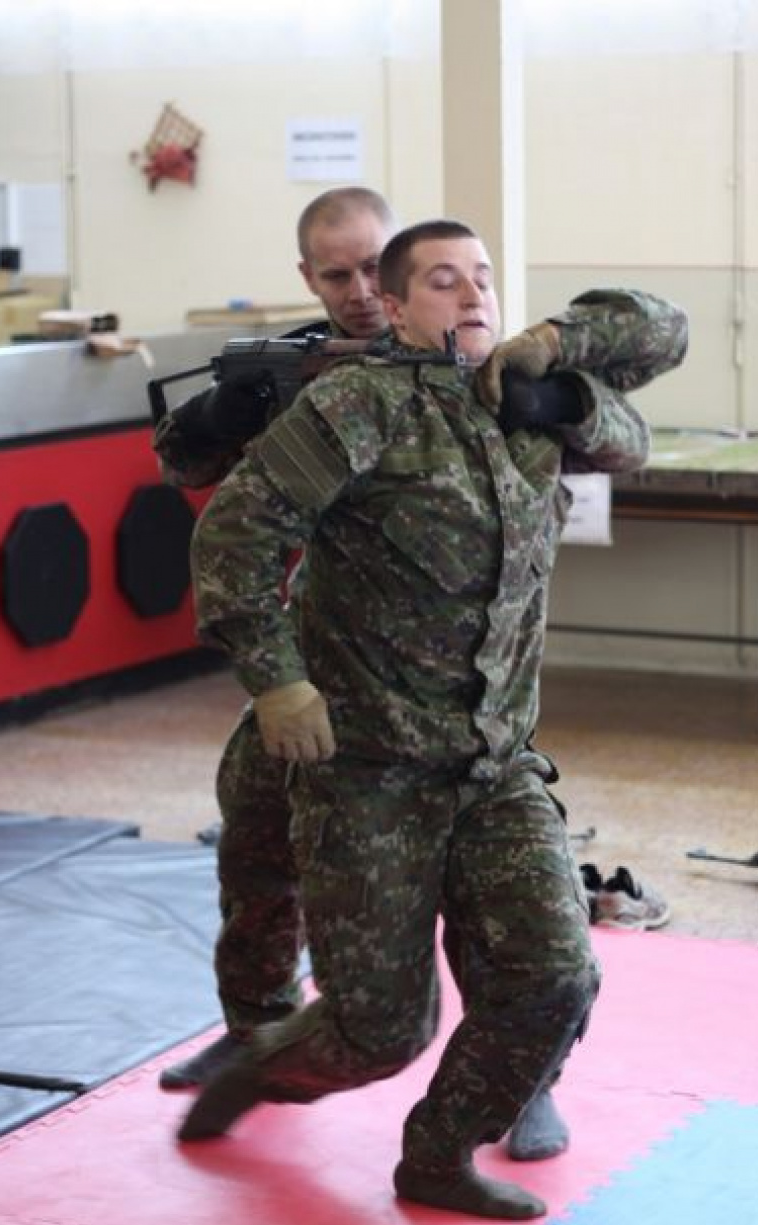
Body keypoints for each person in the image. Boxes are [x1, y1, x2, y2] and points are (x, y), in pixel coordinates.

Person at [176, 219, 689, 1220]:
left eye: (482, 277)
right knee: (379, 1032)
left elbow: (660, 335)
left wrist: (557, 347)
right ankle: (264, 1060)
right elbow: (235, 535)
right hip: (371, 770)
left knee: (555, 975)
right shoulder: (359, 402)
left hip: (495, 768)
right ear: (397, 305)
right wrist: (277, 682)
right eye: (444, 280)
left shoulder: (526, 397)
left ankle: (438, 1156)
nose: (472, 294)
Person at [153, 188, 571, 1161]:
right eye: (334, 274)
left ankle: (525, 1079)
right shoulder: (298, 367)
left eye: (371, 268)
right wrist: (225, 411)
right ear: (309, 277)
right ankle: (260, 1028)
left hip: (453, 683)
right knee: (254, 832)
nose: (355, 291)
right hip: (320, 656)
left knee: (498, 889)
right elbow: (191, 473)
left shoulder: (469, 367)